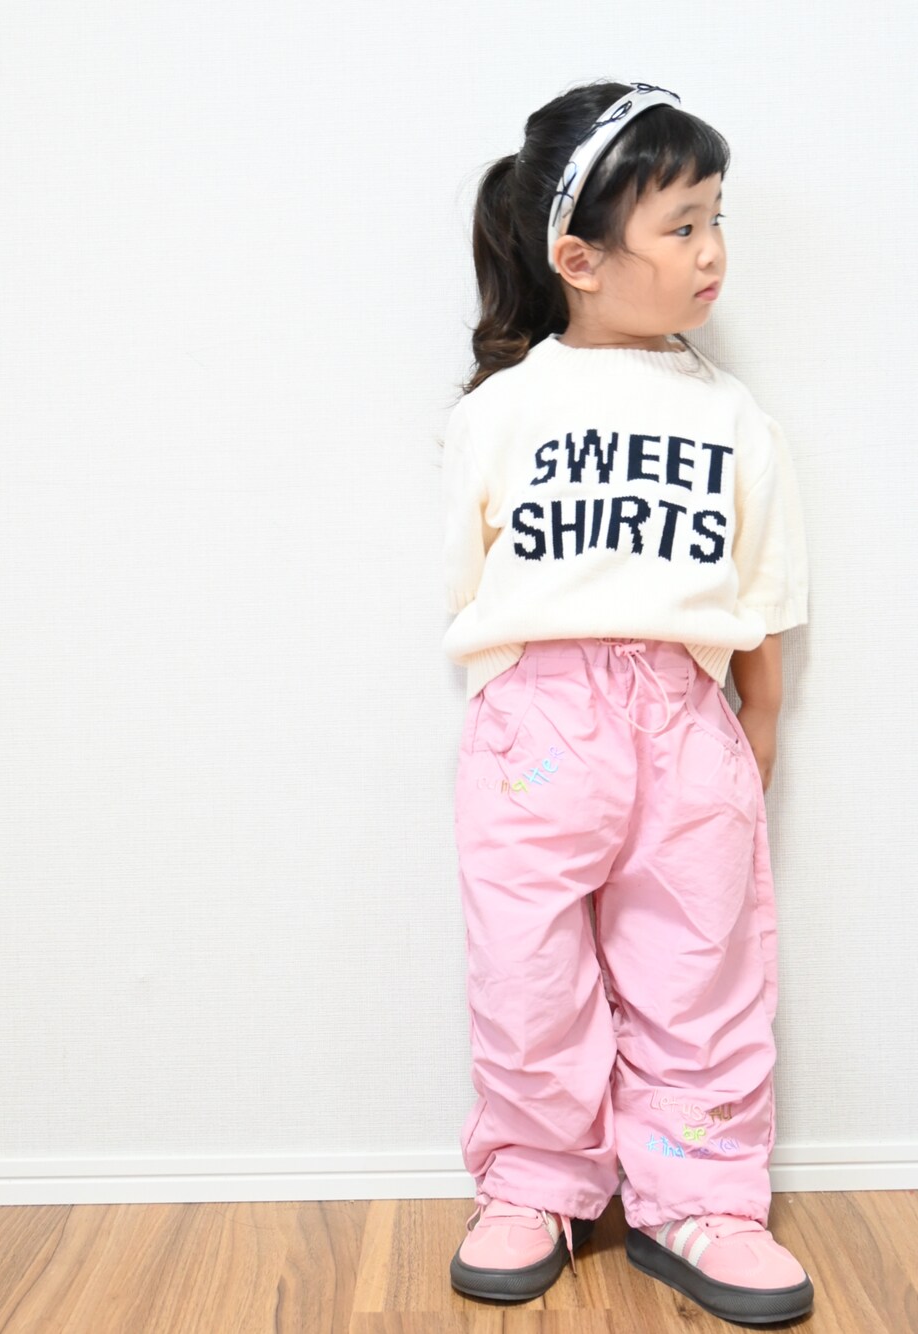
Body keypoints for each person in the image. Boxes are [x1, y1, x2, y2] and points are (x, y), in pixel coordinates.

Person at [440, 79, 814, 1326]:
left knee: (698, 968)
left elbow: (760, 588)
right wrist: (521, 711)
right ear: (579, 259)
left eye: (717, 219)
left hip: (683, 715)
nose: (711, 253)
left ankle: (699, 1198)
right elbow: (469, 579)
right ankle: (535, 1182)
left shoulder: (730, 415)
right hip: (538, 723)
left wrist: (755, 726)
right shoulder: (504, 410)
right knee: (526, 970)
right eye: (681, 225)